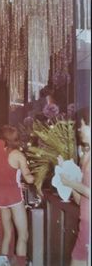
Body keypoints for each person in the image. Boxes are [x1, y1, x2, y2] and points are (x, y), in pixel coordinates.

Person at [0, 125, 34, 266]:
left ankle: (2, 263)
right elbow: (28, 178)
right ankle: (21, 264)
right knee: (23, 235)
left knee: (7, 234)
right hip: (14, 197)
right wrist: (37, 176)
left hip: (1, 198)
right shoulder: (17, 154)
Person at [60, 111, 90, 266]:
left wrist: (71, 183)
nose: (80, 129)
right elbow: (80, 200)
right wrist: (67, 177)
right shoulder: (86, 156)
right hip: (84, 223)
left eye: (84, 125)